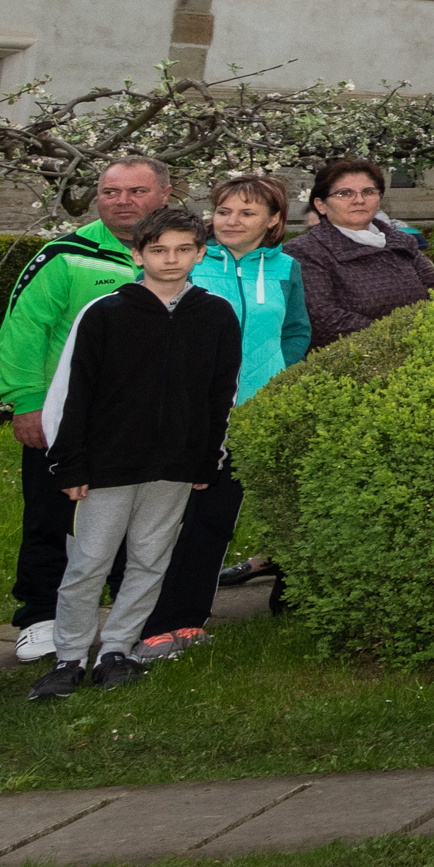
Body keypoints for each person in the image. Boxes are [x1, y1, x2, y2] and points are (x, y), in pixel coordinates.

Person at [22, 210, 243, 701]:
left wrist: (208, 459)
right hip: (107, 466)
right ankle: (69, 656)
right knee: (89, 561)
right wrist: (70, 463)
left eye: (184, 249)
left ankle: (117, 649)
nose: (172, 259)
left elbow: (218, 394)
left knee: (149, 558)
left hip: (175, 467)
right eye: (159, 250)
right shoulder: (104, 313)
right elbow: (71, 393)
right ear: (137, 255)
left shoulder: (216, 314)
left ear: (200, 253)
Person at [137, 172, 311, 653]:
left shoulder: (285, 268)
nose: (231, 221)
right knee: (164, 521)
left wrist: (277, 378)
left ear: (274, 220)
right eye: (225, 210)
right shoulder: (187, 258)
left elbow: (296, 330)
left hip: (256, 417)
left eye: (247, 212)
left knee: (214, 520)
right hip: (188, 415)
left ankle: (187, 620)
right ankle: (146, 619)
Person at [0, 160, 160, 665]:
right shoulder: (65, 256)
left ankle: (130, 610)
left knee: (141, 516)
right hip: (68, 415)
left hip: (148, 414)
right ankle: (41, 614)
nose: (123, 200)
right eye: (111, 191)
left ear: (166, 193)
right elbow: (24, 329)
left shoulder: (183, 251)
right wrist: (26, 403)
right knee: (52, 512)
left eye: (137, 190)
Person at [291, 158, 434, 346]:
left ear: (378, 201)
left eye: (368, 192)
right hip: (350, 359)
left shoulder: (402, 242)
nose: (359, 200)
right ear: (321, 205)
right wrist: (399, 338)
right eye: (344, 194)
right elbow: (323, 317)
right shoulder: (306, 251)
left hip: (422, 349)